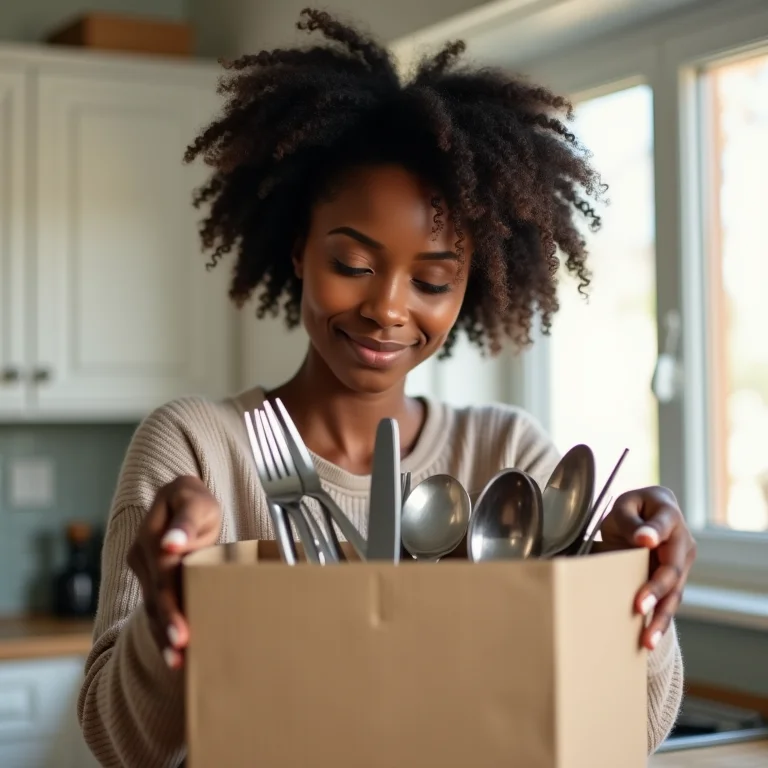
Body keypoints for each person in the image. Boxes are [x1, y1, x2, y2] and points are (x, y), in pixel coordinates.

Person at [77, 9, 695, 766]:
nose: (388, 308)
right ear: (300, 248)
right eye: (353, 264)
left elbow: (633, 730)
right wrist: (174, 607)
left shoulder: (506, 456)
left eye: (433, 279)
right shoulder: (199, 447)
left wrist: (631, 588)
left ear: (469, 287)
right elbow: (118, 744)